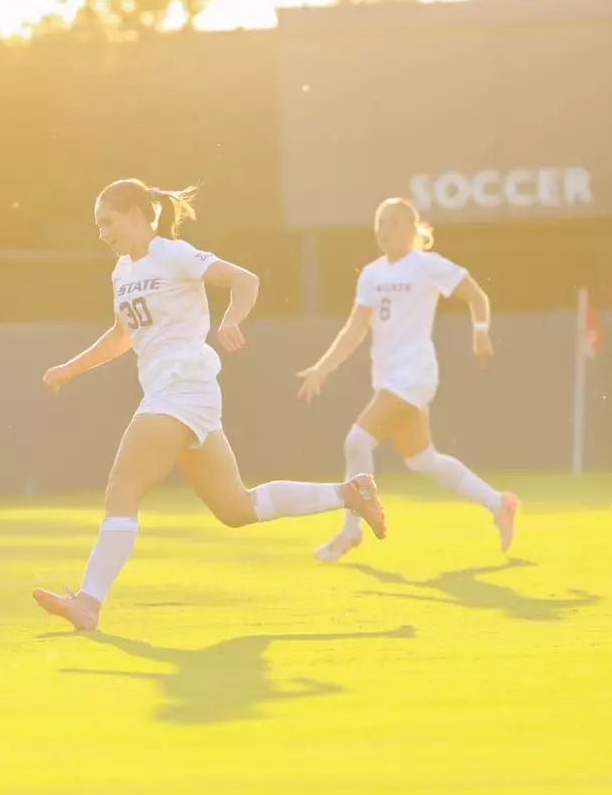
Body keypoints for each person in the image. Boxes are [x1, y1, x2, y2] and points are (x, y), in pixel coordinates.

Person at [31, 180, 387, 631]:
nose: (102, 233)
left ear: (139, 215)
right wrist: (70, 367)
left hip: (181, 386)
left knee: (122, 489)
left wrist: (231, 319)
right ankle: (348, 494)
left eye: (108, 222)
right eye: (98, 224)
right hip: (181, 393)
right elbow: (122, 335)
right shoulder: (121, 271)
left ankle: (88, 603)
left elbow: (245, 279)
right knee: (236, 509)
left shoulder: (175, 255)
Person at [297, 197, 519, 562]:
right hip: (388, 377)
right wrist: (323, 367)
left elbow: (477, 296)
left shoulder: (427, 266)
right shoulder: (372, 274)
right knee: (422, 461)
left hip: (415, 374)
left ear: (414, 229)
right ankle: (500, 504)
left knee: (357, 442)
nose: (385, 230)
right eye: (380, 223)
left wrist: (480, 332)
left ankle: (350, 532)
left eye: (394, 223)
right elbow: (355, 329)